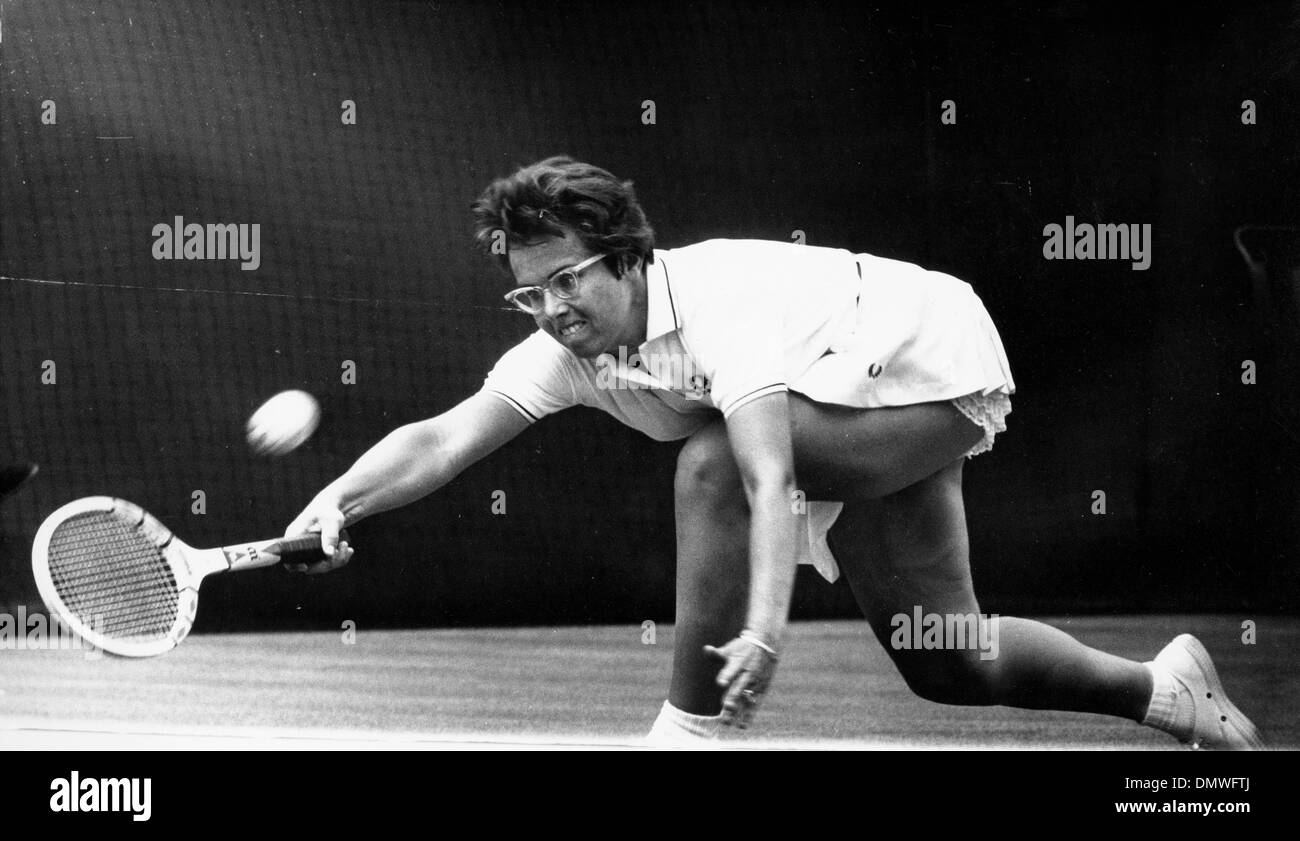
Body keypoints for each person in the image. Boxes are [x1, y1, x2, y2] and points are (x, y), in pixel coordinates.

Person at [282, 157, 1262, 749]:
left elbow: (761, 475)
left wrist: (762, 631)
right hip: (856, 387)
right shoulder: (572, 346)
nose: (549, 309)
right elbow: (445, 437)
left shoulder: (717, 309)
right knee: (948, 657)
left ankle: (691, 733)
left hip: (930, 362)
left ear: (627, 257)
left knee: (708, 459)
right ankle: (1167, 689)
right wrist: (339, 501)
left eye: (566, 280)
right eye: (527, 293)